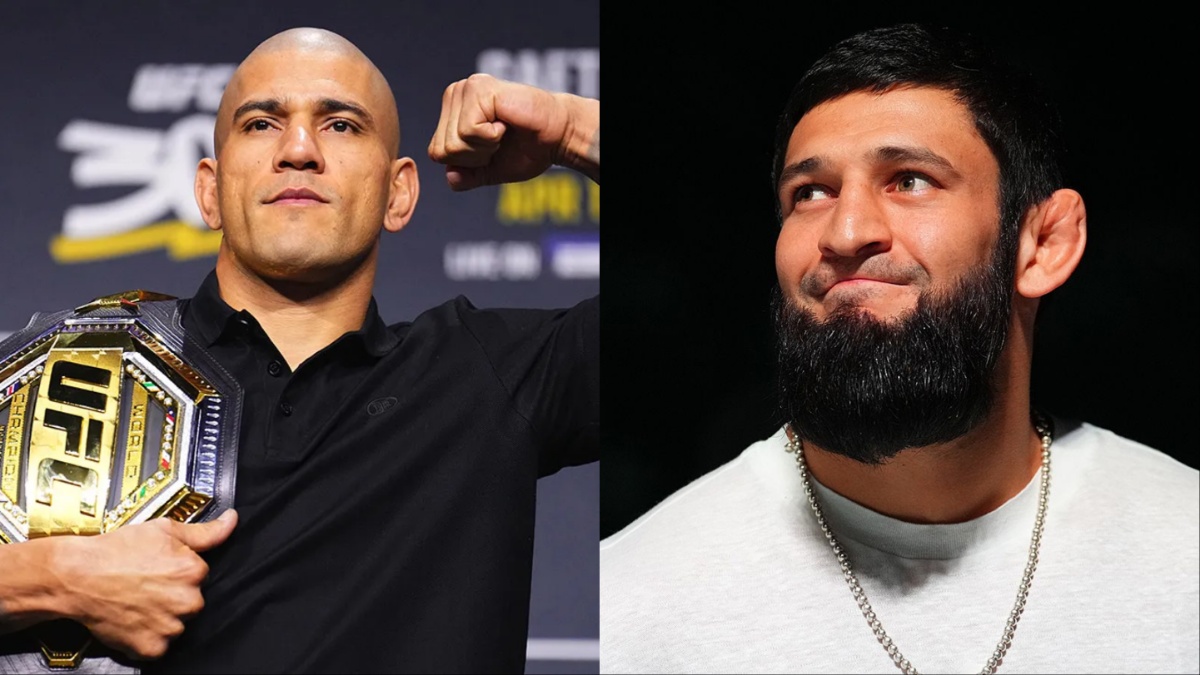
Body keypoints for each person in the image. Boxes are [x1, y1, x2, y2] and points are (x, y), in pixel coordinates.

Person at [599, 22, 1197, 675]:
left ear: (1044, 243)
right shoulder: (630, 602)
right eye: (811, 192)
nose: (846, 230)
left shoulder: (1183, 552)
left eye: (909, 179)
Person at [0, 26, 598, 674]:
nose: (300, 149)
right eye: (261, 124)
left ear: (399, 191)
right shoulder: (67, 367)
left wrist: (573, 128)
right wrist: (48, 577)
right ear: (208, 188)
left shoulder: (490, 376)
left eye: (341, 125)